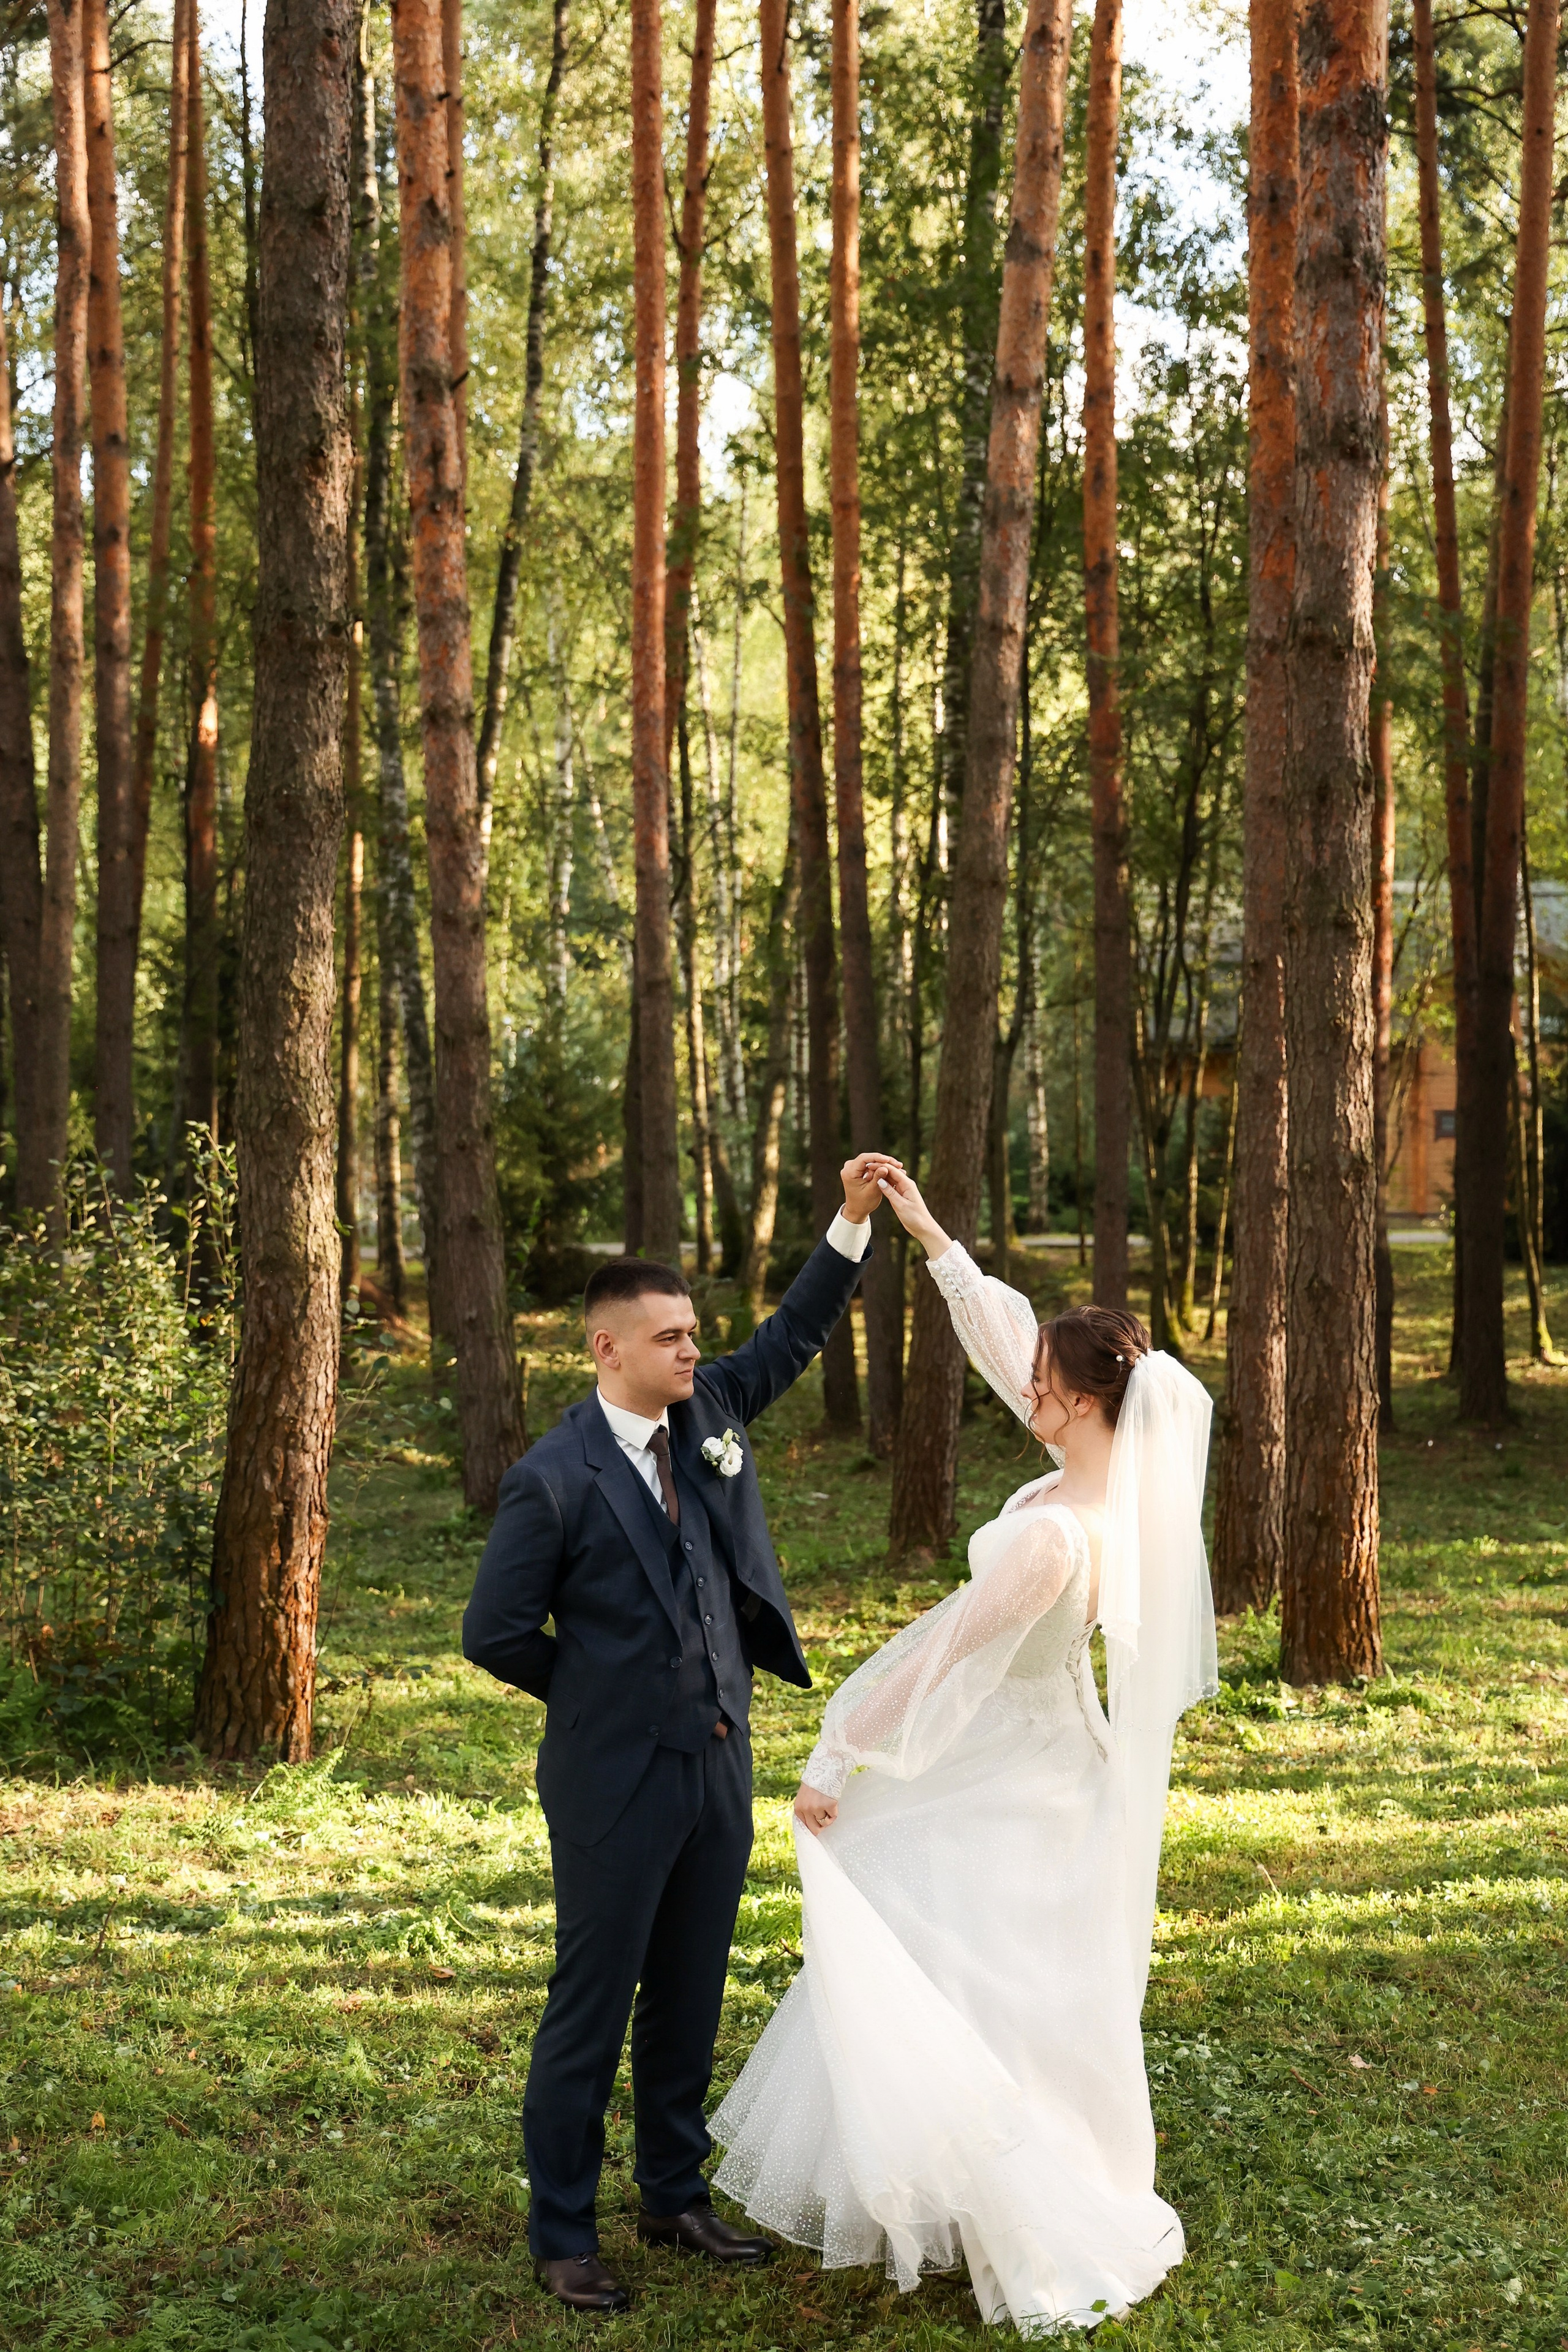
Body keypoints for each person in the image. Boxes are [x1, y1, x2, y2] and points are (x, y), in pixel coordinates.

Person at [711, 1166, 1218, 2337]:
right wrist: (931, 1232)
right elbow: (1005, 1342)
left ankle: (1021, 2198)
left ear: (1087, 1405)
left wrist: (840, 1749)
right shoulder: (1098, 1484)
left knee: (948, 1954)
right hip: (1047, 1758)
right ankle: (991, 2180)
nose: (1023, 1389)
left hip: (1015, 1774)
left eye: (1043, 1383)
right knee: (1011, 1985)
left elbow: (940, 1656)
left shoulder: (1052, 1539)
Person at [461, 1153, 899, 2314]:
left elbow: (794, 1334)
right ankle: (563, 2230)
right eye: (669, 1338)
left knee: (693, 1990)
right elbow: (494, 1631)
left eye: (695, 1334)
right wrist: (600, 1696)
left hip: (717, 1762)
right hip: (612, 1782)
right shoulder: (550, 1481)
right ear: (607, 1347)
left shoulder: (707, 1415)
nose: (692, 1351)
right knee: (591, 2007)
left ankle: (671, 2191)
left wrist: (850, 1223)